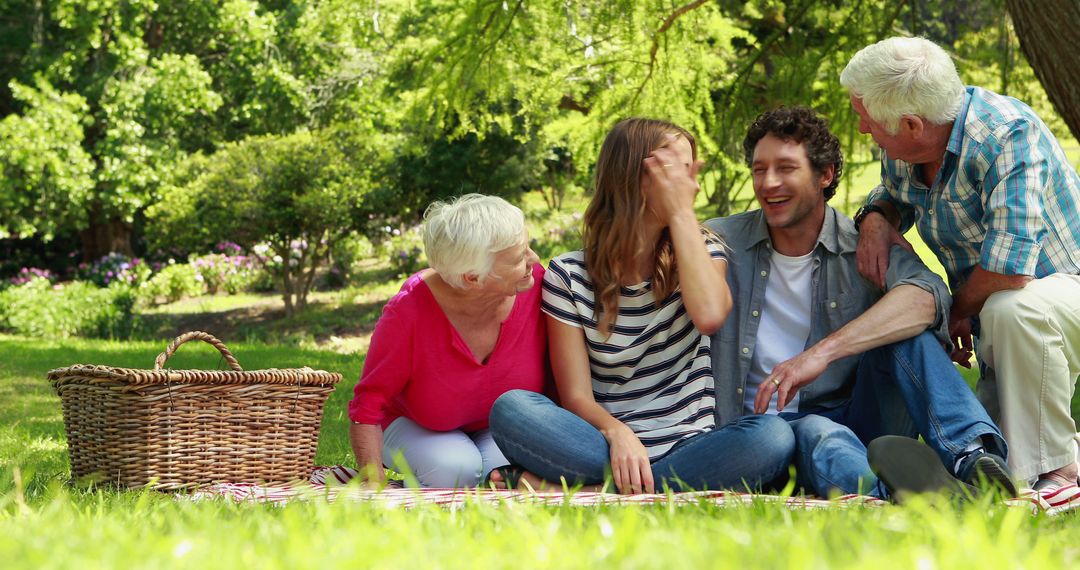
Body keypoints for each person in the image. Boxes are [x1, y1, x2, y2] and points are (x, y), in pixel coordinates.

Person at [705, 106, 1014, 499]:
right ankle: (927, 498)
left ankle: (973, 459)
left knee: (907, 336)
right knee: (816, 432)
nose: (768, 183)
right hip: (752, 435)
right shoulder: (720, 243)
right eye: (759, 169)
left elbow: (928, 297)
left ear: (826, 174)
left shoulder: (862, 246)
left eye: (785, 168)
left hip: (860, 422)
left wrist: (820, 353)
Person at [489, 118, 795, 494]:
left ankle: (596, 490)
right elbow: (576, 396)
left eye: (691, 171)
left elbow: (711, 315)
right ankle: (641, 486)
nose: (692, 185)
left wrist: (680, 213)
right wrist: (618, 434)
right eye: (677, 172)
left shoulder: (701, 251)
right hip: (602, 445)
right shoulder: (567, 274)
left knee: (773, 436)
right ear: (634, 177)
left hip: (692, 447)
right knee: (512, 408)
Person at [842, 36, 1080, 491]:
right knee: (990, 457)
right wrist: (875, 215)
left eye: (865, 118)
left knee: (1014, 307)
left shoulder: (1007, 135)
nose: (862, 130)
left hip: (1059, 293)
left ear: (911, 124)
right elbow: (893, 198)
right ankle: (993, 475)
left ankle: (1059, 473)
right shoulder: (907, 147)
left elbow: (1011, 270)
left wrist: (953, 311)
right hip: (1003, 328)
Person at [347, 194, 546, 488]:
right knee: (455, 470)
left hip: (497, 426)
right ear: (472, 278)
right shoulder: (409, 312)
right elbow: (368, 403)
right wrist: (371, 481)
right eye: (519, 258)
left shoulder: (538, 287)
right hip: (416, 424)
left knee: (500, 474)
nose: (534, 260)